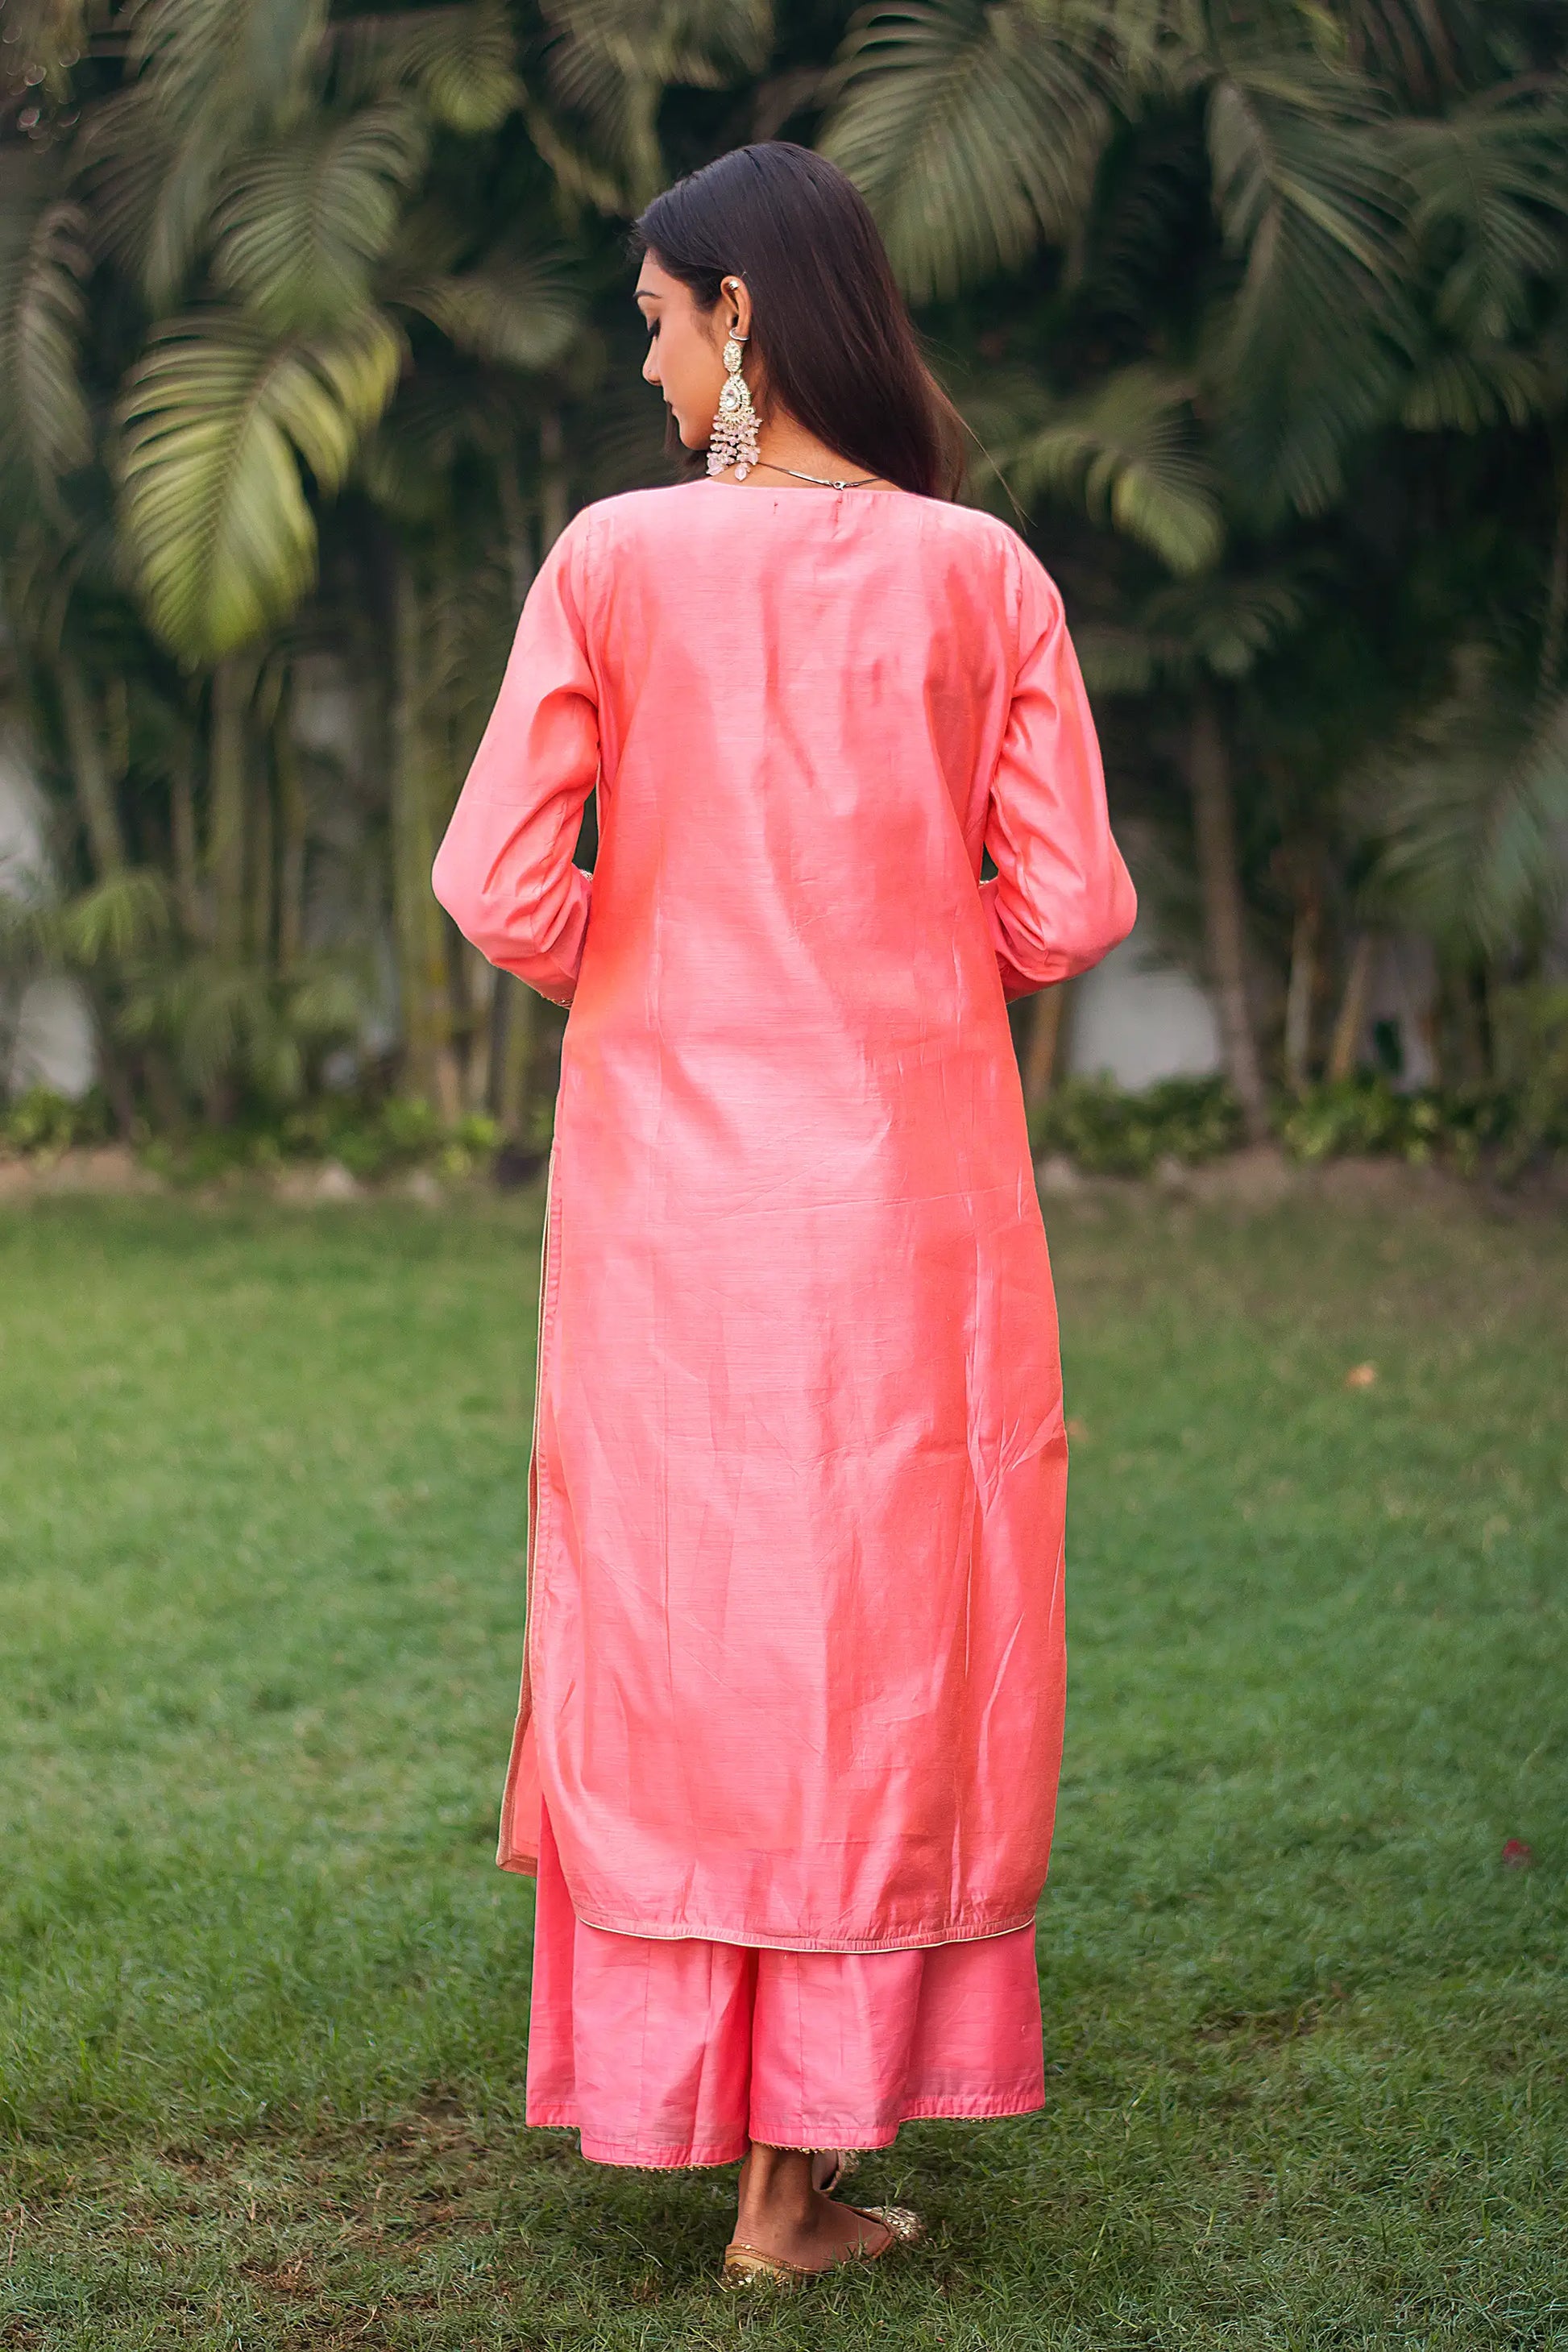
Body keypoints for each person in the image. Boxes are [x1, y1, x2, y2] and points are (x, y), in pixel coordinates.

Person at [432, 140, 1136, 2289]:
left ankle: (719, 2127)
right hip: (909, 1190)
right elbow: (1071, 901)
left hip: (667, 1197)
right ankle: (796, 2178)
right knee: (891, 1629)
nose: (642, 362)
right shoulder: (980, 570)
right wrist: (909, 970)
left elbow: (495, 881)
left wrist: (651, 972)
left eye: (654, 316)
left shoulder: (615, 561)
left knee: (686, 1629)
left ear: (739, 315)